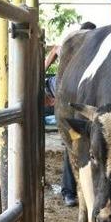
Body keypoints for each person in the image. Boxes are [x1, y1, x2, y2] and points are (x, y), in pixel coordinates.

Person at [44, 21, 97, 207]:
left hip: (88, 113)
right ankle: (68, 191)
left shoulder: (94, 61)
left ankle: (83, 191)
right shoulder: (71, 56)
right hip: (68, 113)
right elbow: (56, 52)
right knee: (73, 145)